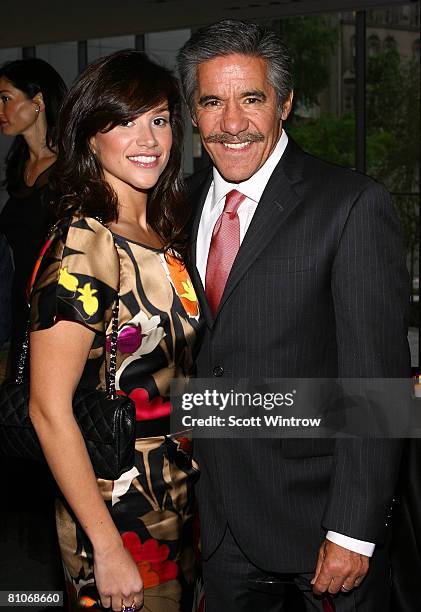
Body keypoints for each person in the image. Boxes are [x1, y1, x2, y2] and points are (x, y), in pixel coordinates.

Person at [177, 19, 410, 612]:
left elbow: (375, 385)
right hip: (213, 526)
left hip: (321, 529)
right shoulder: (171, 208)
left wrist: (354, 530)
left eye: (251, 99)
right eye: (212, 102)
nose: (231, 123)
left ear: (285, 104)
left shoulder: (351, 206)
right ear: (192, 112)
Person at [28, 50, 202, 612]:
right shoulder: (86, 245)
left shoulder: (160, 234)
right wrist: (105, 545)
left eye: (158, 119)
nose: (147, 137)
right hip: (117, 511)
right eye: (124, 122)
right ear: (89, 137)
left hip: (175, 498)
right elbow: (48, 409)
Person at [0, 58, 67, 373]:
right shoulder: (16, 167)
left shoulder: (69, 168)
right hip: (19, 304)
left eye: (5, 99)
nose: (0, 110)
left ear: (37, 102)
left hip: (58, 308)